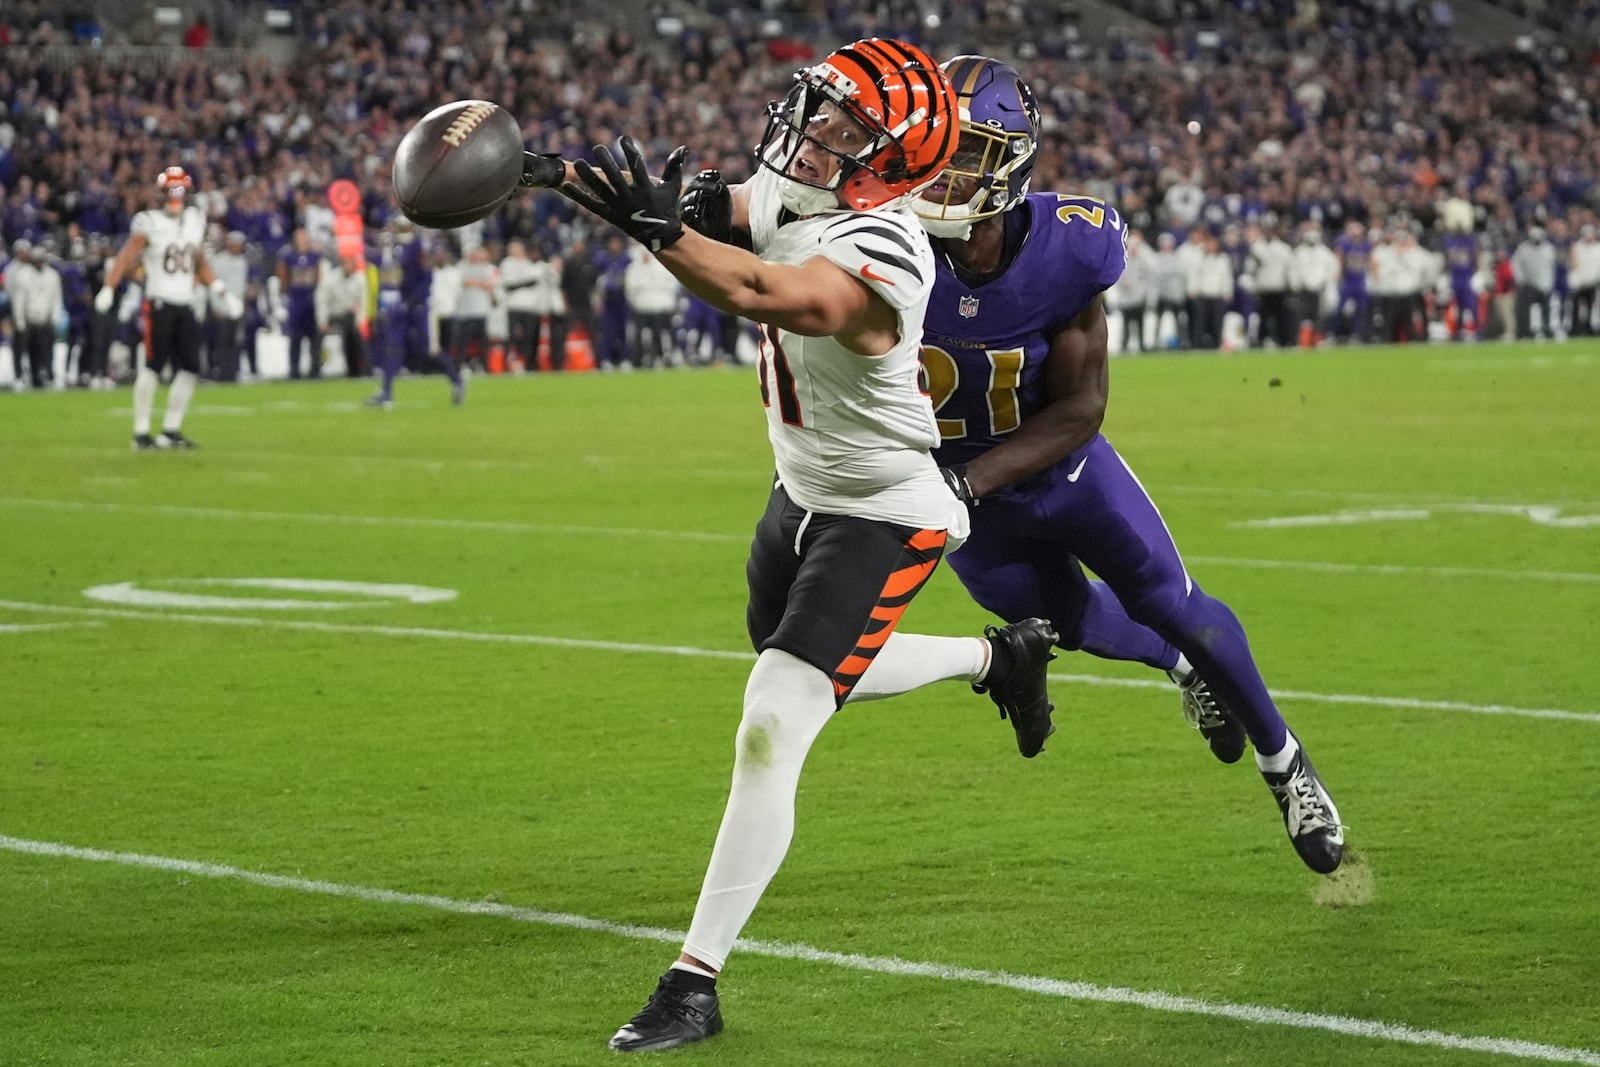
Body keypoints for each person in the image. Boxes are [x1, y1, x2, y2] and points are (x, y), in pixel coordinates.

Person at [520, 37, 1057, 1052]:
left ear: (896, 161)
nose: (815, 136)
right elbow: (691, 204)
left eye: (847, 128)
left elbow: (764, 292)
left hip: (883, 509)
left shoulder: (889, 249)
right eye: (821, 111)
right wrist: (549, 175)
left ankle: (694, 979)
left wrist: (654, 235)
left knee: (775, 715)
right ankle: (1001, 654)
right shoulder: (800, 193)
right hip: (800, 496)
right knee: (819, 668)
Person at [909, 55, 1343, 874]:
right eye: (934, 147)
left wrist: (967, 481)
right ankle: (1181, 670)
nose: (941, 170)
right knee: (1068, 623)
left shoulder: (1068, 248)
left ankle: (1286, 764)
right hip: (964, 500)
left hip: (1058, 470)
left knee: (1176, 601)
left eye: (964, 151)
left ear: (1008, 159)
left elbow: (1081, 409)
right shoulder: (889, 246)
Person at [97, 166, 228, 449]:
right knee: (153, 366)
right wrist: (109, 287)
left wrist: (218, 287)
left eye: (179, 189)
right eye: (171, 189)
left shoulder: (195, 219)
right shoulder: (149, 222)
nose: (176, 195)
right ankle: (141, 432)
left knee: (191, 367)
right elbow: (125, 257)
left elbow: (198, 262)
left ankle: (170, 429)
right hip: (158, 301)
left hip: (185, 302)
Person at [276, 228, 323, 379]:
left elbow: (318, 274)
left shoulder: (315, 256)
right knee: (295, 337)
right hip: (296, 300)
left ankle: (315, 369)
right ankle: (294, 370)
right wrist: (285, 292)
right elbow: (283, 274)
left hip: (311, 299)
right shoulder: (289, 256)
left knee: (314, 337)